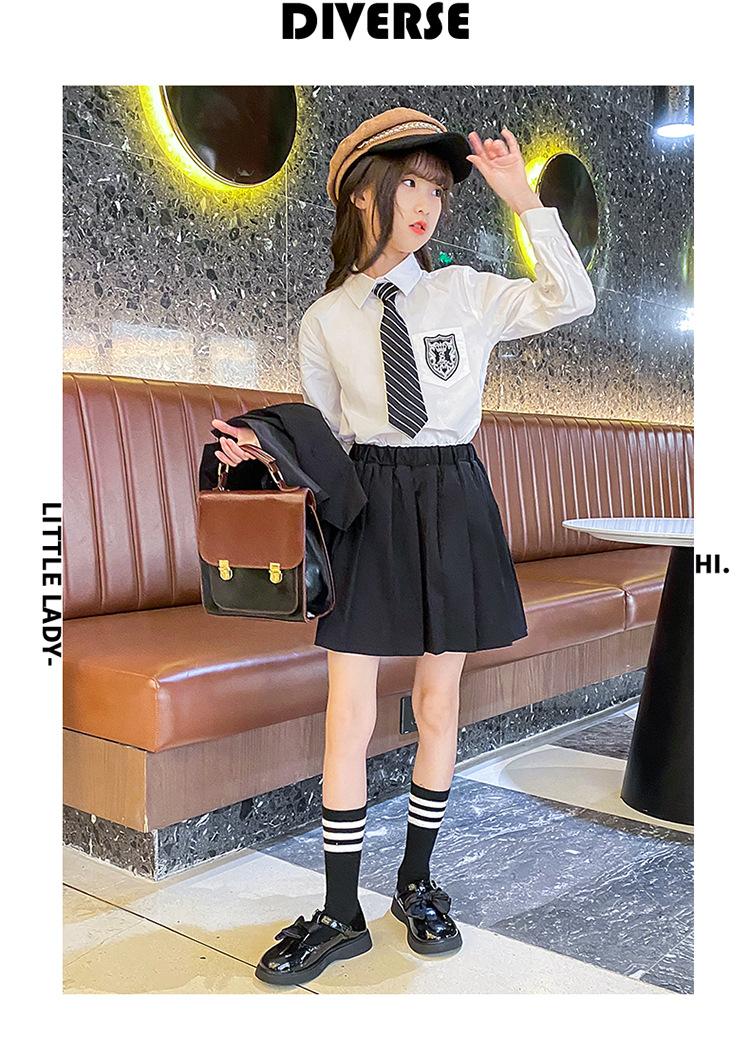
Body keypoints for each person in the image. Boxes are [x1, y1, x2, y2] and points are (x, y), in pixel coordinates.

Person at [211, 106, 597, 985]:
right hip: (371, 501)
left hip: (455, 494)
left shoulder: (466, 292)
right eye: (409, 184)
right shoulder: (325, 319)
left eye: (438, 188)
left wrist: (523, 199)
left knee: (437, 701)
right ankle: (340, 910)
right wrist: (263, 451)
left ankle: (416, 883)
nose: (426, 204)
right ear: (362, 194)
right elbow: (331, 441)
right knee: (347, 711)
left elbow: (572, 298)